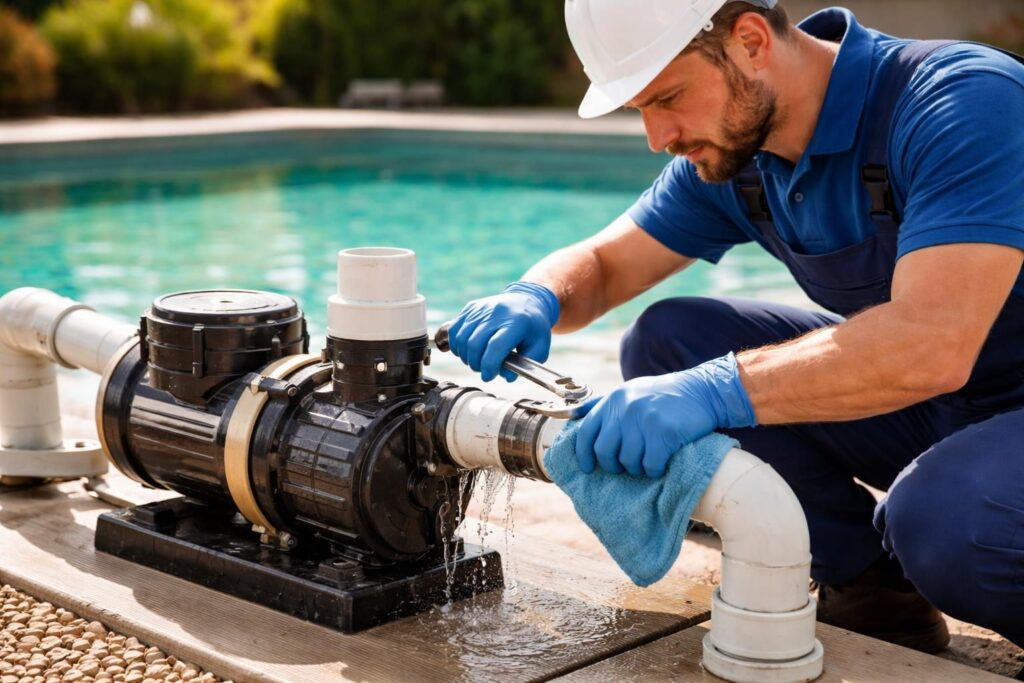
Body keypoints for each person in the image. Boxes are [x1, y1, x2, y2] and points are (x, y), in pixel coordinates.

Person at [445, 0, 1024, 658]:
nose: (657, 136)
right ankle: (874, 593)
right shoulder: (738, 155)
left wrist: (714, 390)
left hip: (973, 395)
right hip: (948, 408)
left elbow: (930, 343)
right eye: (641, 109)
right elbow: (604, 266)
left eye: (667, 97)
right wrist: (536, 292)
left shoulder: (958, 102)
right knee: (666, 342)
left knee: (943, 520)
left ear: (751, 42)